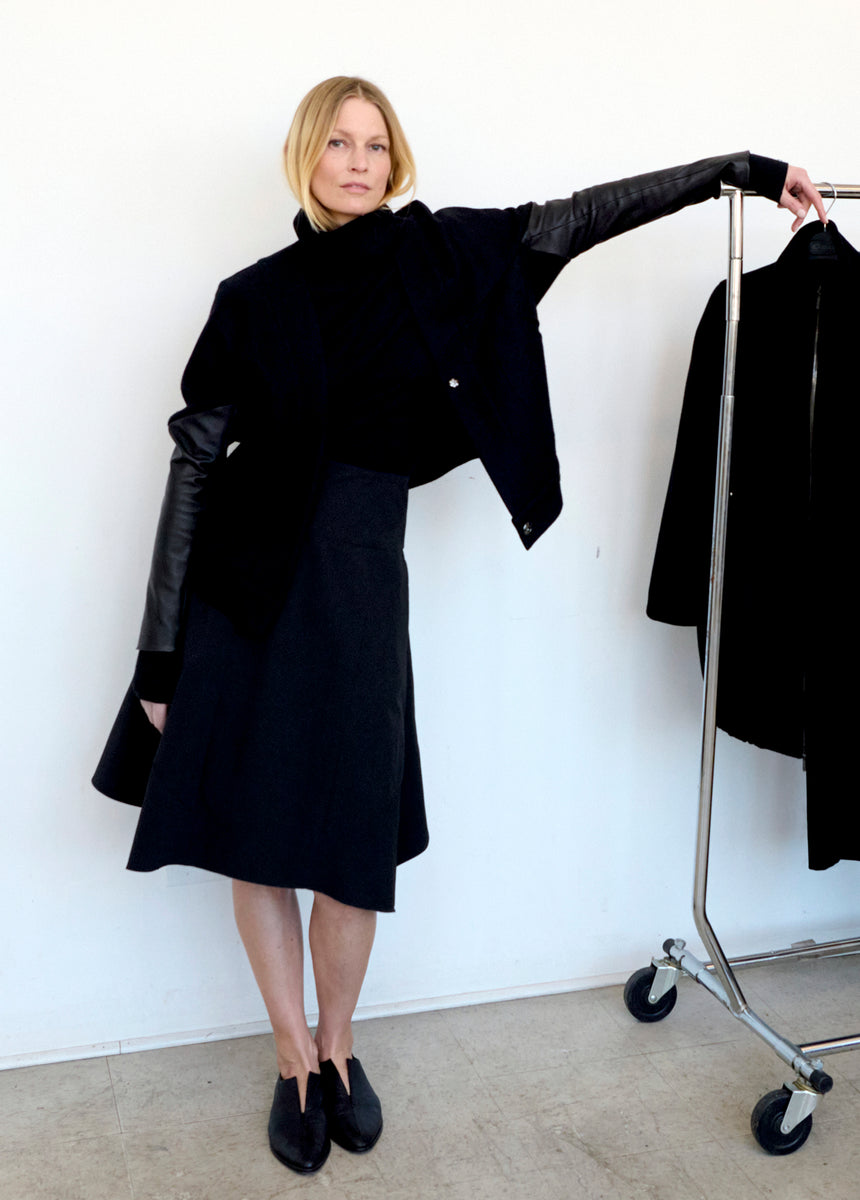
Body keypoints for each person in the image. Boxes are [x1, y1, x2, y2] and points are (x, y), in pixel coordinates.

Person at [93, 75, 826, 1175]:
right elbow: (194, 467)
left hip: (356, 578)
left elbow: (581, 217)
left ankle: (342, 1047)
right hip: (242, 595)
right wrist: (159, 651)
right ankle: (292, 1057)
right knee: (257, 838)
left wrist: (737, 169)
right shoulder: (252, 298)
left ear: (395, 163)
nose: (357, 161)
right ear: (306, 158)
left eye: (375, 145)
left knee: (349, 846)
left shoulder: (440, 258)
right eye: (336, 143)